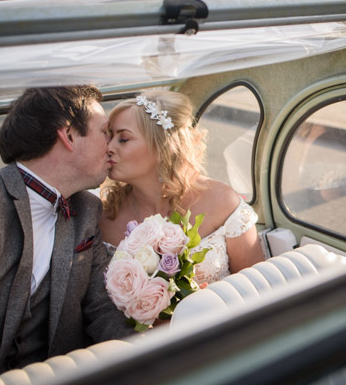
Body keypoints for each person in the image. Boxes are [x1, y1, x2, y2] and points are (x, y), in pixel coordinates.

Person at [0, 85, 132, 376]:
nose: (110, 146)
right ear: (68, 135)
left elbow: (102, 307)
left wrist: (151, 358)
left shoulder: (86, 210)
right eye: (104, 132)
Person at [100, 89, 263, 285]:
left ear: (162, 146)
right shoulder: (105, 218)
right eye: (109, 137)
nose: (109, 147)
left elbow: (258, 290)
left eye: (123, 139)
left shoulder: (221, 201)